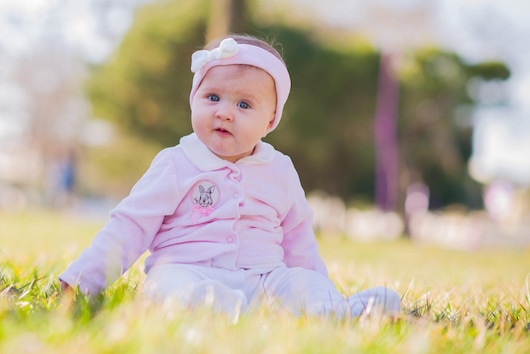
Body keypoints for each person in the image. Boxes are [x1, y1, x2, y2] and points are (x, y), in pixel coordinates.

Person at [59, 35, 401, 319]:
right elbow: (129, 227)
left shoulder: (279, 169)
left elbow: (299, 241)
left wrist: (315, 286)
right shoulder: (176, 163)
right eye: (212, 97)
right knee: (170, 289)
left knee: (301, 285)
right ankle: (220, 309)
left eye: (244, 105)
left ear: (269, 122)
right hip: (187, 268)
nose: (224, 112)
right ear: (194, 100)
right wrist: (82, 280)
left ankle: (338, 310)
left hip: (265, 277)